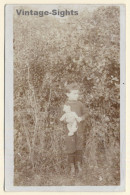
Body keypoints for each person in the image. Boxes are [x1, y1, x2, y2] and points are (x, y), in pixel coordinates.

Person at [60, 83, 87, 176]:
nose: (77, 95)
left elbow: (86, 114)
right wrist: (66, 121)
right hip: (69, 131)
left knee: (79, 147)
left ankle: (79, 165)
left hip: (79, 130)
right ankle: (72, 167)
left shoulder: (80, 104)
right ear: (68, 94)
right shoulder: (65, 105)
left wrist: (81, 118)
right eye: (74, 93)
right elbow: (61, 117)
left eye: (77, 94)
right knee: (70, 147)